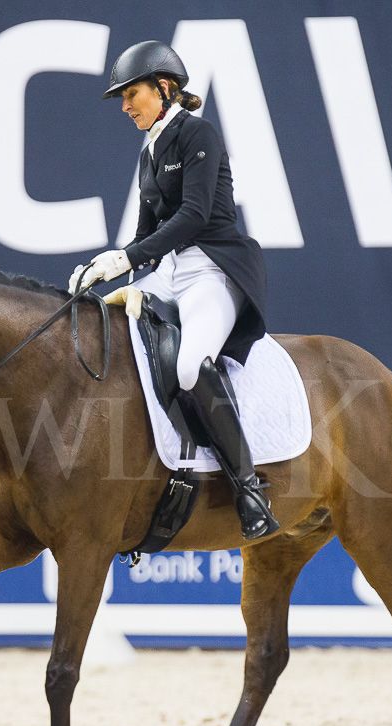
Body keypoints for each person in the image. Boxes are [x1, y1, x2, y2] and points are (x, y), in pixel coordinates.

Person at [69, 40, 279, 540]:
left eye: (131, 94)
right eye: (122, 98)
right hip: (170, 270)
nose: (125, 106)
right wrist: (107, 266)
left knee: (188, 366)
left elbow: (194, 216)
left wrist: (127, 260)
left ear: (164, 88)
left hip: (213, 268)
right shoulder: (149, 150)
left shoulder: (197, 134)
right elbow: (146, 235)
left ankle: (249, 489)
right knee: (102, 323)